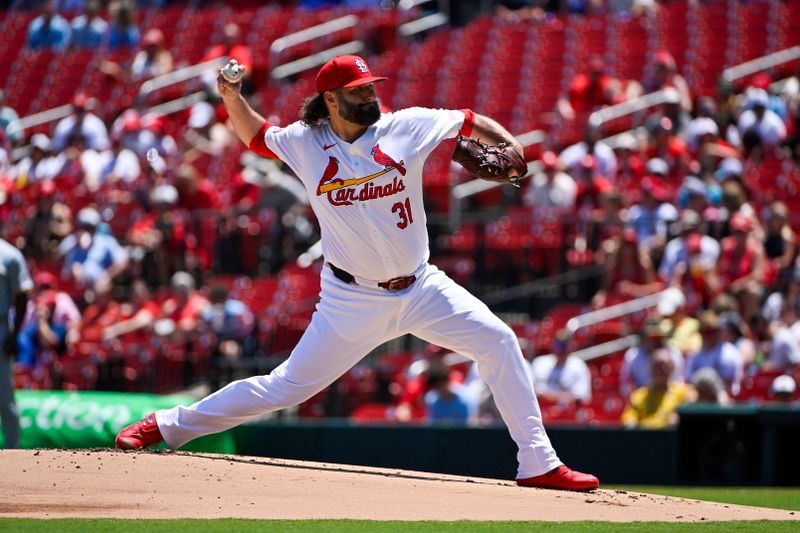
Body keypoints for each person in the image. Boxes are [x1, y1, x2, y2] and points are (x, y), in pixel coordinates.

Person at [117, 54, 599, 491]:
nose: (371, 95)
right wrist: (231, 97)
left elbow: (471, 121)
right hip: (351, 300)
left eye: (371, 87)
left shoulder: (405, 126)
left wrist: (512, 147)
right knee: (285, 387)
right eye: (359, 90)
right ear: (331, 99)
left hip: (422, 285)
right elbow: (256, 137)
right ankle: (166, 424)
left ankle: (538, 463)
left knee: (499, 341)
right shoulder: (308, 143)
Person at [0, 238, 33, 449]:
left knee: (4, 395)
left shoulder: (8, 253)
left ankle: (13, 451)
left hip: (1, 326)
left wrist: (14, 334)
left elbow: (23, 295)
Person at [621, 347, 695, 429]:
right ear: (650, 368)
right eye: (658, 365)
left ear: (672, 368)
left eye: (666, 365)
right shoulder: (638, 396)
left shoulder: (683, 392)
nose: (663, 369)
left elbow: (695, 403)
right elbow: (629, 419)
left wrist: (681, 417)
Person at [530, 330, 592, 405]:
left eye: (564, 347)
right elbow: (530, 392)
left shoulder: (578, 366)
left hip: (565, 412)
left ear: (571, 347)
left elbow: (580, 397)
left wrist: (548, 395)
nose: (560, 351)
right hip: (541, 408)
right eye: (558, 347)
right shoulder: (540, 363)